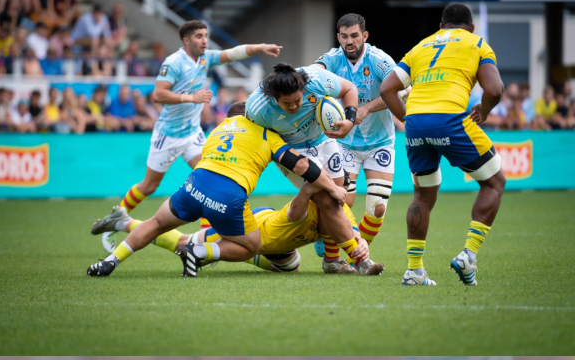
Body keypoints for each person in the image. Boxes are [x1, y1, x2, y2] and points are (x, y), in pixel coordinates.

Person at [86, 102, 355, 277]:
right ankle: (200, 253)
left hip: (194, 185)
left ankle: (111, 260)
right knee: (252, 246)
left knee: (157, 223)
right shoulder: (265, 134)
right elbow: (301, 167)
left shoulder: (219, 128)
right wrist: (332, 187)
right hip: (228, 197)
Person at [100, 19, 283, 241]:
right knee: (149, 185)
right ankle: (117, 214)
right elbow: (157, 94)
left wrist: (260, 47)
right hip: (167, 135)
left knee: (209, 179)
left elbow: (233, 53)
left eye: (205, 35)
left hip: (192, 134)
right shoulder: (174, 62)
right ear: (186, 41)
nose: (204, 40)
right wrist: (192, 98)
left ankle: (205, 237)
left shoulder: (205, 58)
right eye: (199, 36)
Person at [380, 3, 506, 286]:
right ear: (471, 27)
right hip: (451, 119)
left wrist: (410, 119)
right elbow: (495, 90)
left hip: (415, 124)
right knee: (494, 182)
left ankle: (414, 271)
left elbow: (387, 88)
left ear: (441, 26)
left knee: (422, 195)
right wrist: (483, 110)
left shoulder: (420, 46)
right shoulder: (477, 43)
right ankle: (468, 256)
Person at [91, 171, 375, 275]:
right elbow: (294, 214)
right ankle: (125, 222)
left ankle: (232, 254)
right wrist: (308, 188)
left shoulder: (341, 211)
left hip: (277, 244)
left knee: (291, 267)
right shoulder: (310, 203)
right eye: (341, 188)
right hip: (253, 228)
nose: (344, 195)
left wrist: (358, 244)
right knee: (184, 242)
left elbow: (348, 230)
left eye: (348, 190)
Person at [245, 63, 383, 275]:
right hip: (290, 151)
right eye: (287, 104)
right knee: (327, 198)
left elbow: (349, 89)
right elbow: (256, 139)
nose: (294, 107)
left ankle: (331, 261)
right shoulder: (257, 109)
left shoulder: (316, 78)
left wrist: (349, 119)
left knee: (341, 199)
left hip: (323, 139)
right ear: (274, 99)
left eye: (298, 101)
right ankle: (361, 260)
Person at [312, 13, 405, 258]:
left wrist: (365, 108)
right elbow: (313, 73)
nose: (349, 41)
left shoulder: (379, 60)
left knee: (377, 208)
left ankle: (356, 254)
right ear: (338, 37)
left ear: (364, 36)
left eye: (354, 35)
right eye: (344, 36)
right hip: (344, 144)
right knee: (340, 202)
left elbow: (402, 91)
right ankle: (332, 261)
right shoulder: (333, 58)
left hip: (380, 143)